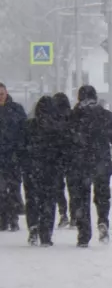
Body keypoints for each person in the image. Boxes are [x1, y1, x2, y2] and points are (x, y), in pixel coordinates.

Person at [68, 85, 112, 248]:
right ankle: (103, 220)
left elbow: (68, 140)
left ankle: (84, 234)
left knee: (82, 198)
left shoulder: (75, 116)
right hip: (102, 162)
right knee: (102, 195)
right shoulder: (106, 115)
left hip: (80, 163)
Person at [21, 96, 70, 246]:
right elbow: (63, 150)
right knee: (48, 202)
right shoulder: (58, 128)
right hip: (51, 170)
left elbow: (21, 147)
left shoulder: (28, 126)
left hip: (31, 170)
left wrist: (24, 164)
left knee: (32, 200)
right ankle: (46, 234)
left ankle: (33, 227)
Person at [0, 82, 27, 231]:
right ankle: (3, 218)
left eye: (2, 94)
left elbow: (24, 130)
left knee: (14, 187)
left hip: (14, 156)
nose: (0, 97)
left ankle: (13, 218)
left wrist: (21, 150)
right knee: (1, 189)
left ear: (6, 93)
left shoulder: (16, 109)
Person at [52, 92, 74, 227]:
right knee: (73, 189)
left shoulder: (53, 118)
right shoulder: (73, 116)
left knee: (58, 188)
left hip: (56, 157)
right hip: (71, 157)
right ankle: (74, 215)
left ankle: (63, 213)